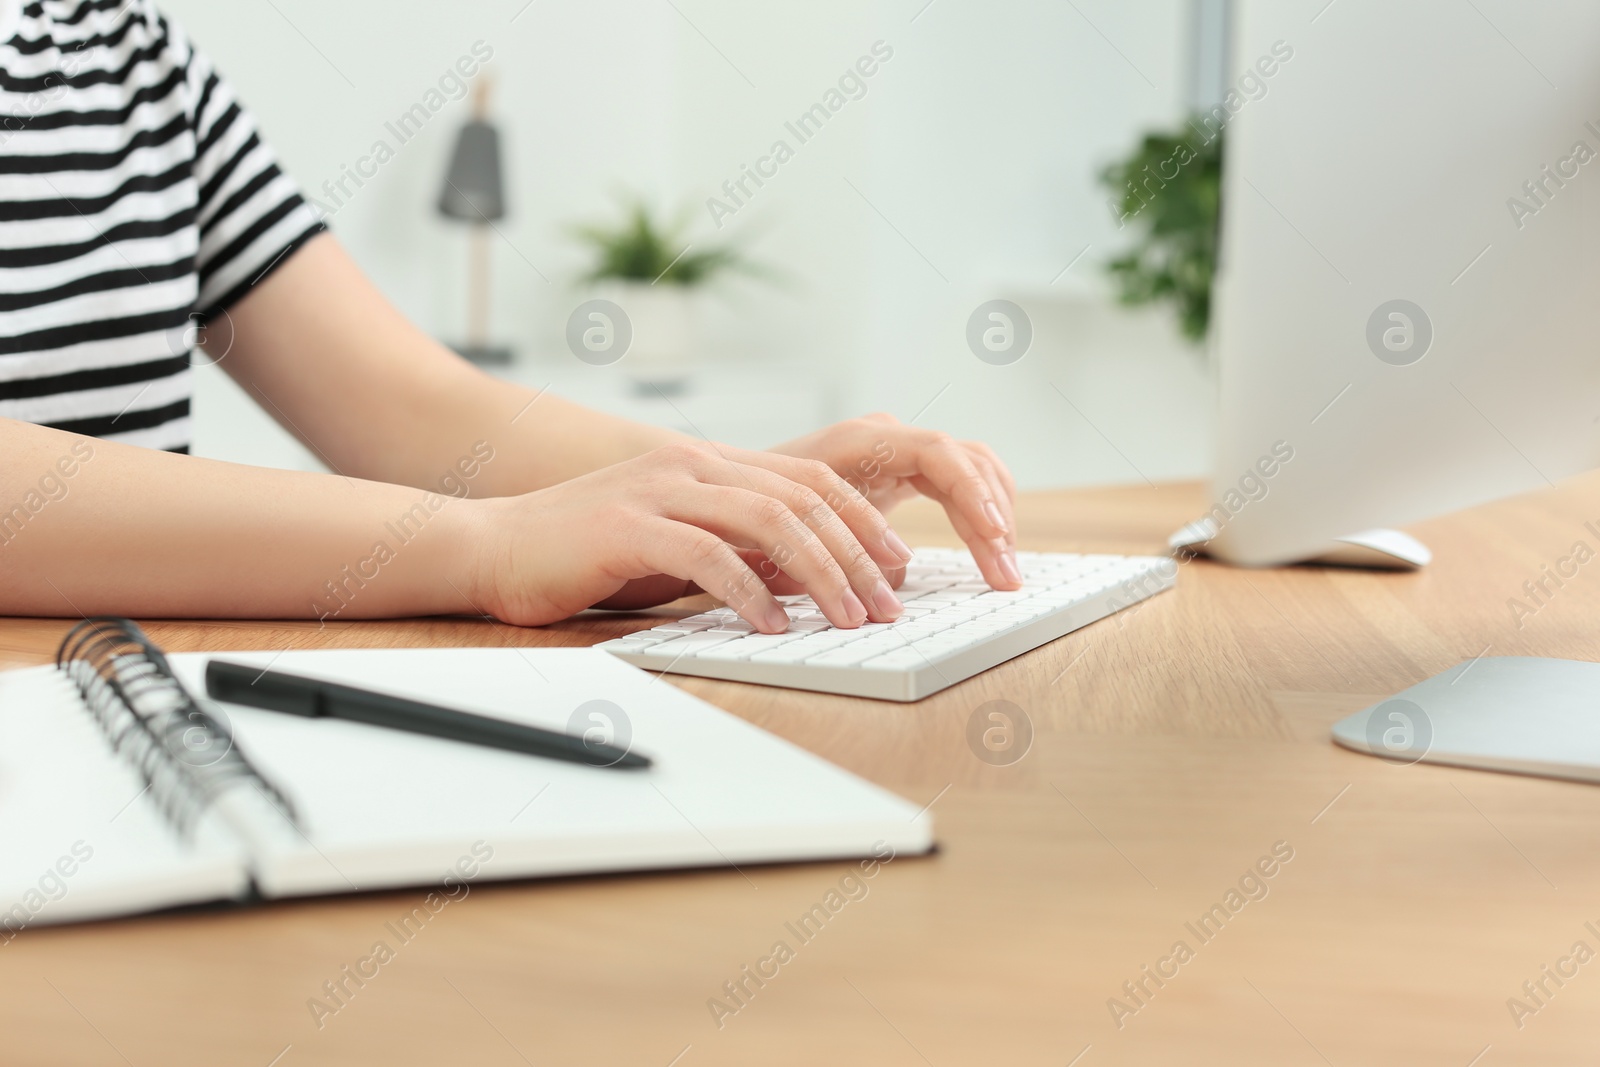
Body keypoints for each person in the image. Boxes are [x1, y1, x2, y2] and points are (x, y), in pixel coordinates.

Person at [0, 0, 1019, 634]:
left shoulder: (120, 49)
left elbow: (412, 400)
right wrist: (490, 547)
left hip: (121, 711)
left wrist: (732, 492)